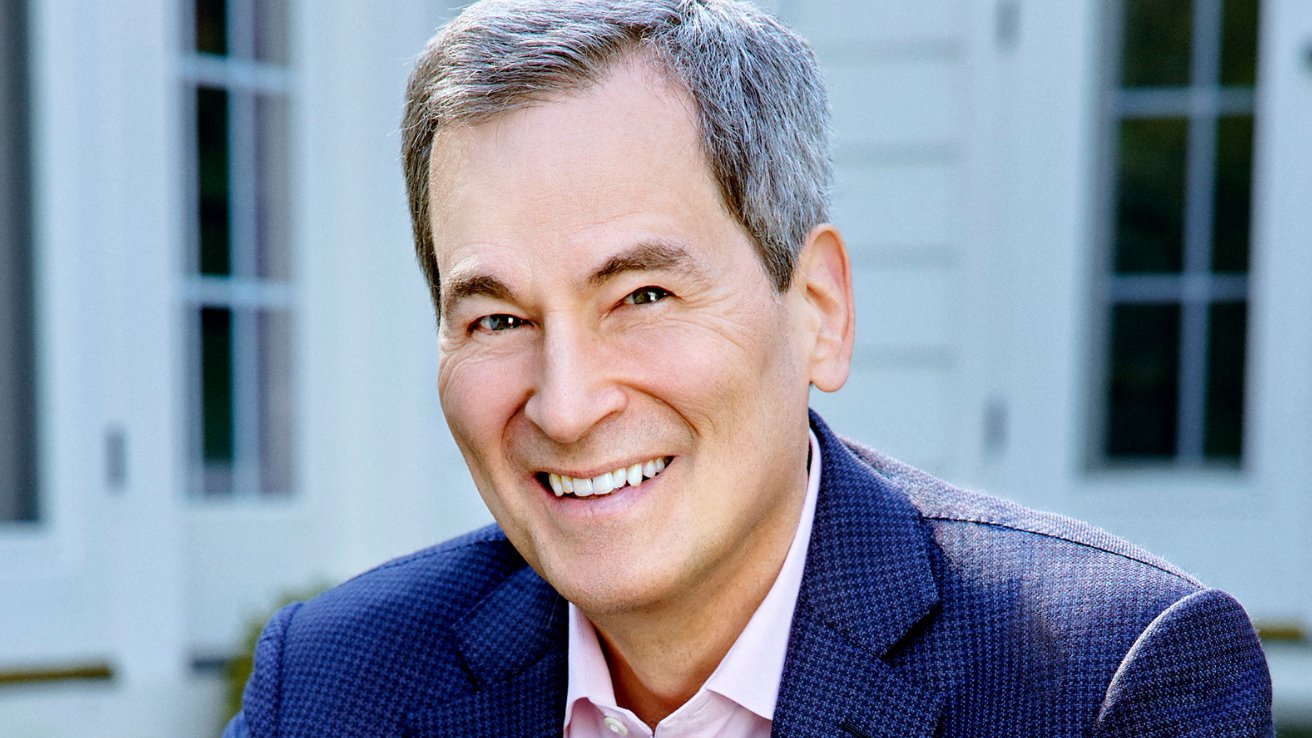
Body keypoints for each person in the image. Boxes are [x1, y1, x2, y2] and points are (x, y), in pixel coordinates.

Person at [223, 1, 1273, 736]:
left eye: (642, 295)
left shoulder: (1099, 682)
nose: (570, 402)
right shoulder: (326, 686)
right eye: (497, 319)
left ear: (817, 310)